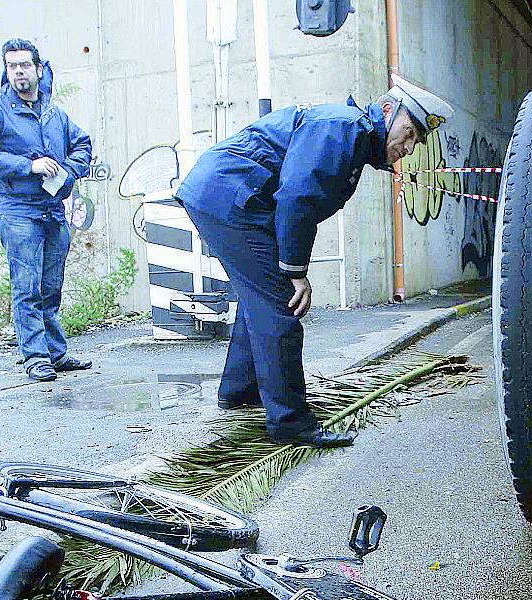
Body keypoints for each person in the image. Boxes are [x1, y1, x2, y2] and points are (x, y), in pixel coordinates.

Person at [176, 76, 453, 448]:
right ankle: (291, 424)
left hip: (231, 197)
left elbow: (298, 200)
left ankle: (239, 390)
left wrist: (289, 267)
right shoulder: (343, 129)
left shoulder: (350, 136)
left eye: (417, 141)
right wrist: (296, 272)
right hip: (230, 199)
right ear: (387, 111)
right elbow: (297, 198)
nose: (409, 146)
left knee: (260, 297)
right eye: (408, 132)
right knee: (280, 309)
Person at [0, 39, 94, 382]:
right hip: (17, 210)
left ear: (39, 69)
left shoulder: (55, 113)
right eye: (12, 66)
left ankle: (56, 352)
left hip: (53, 208)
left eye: (24, 65)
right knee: (27, 285)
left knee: (51, 285)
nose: (19, 72)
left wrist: (68, 171)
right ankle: (35, 357)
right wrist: (29, 165)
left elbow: (83, 144)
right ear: (6, 71)